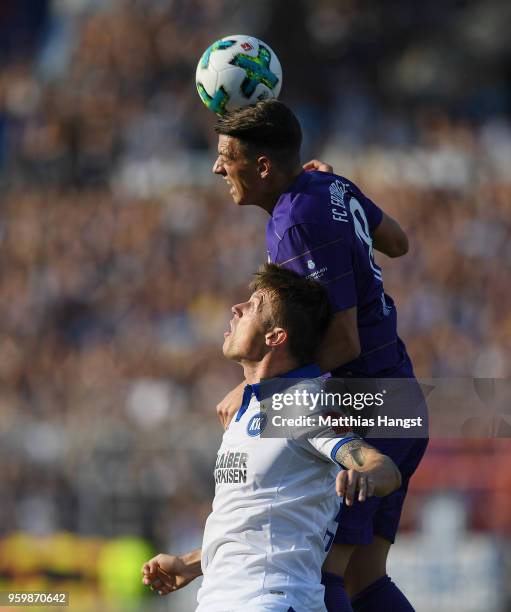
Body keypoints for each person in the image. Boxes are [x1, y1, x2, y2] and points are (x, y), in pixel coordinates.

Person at [212, 100, 428, 612]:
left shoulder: (296, 222)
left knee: (320, 573)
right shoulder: (326, 186)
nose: (218, 168)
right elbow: (397, 242)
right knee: (364, 579)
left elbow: (345, 342)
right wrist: (340, 196)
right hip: (400, 397)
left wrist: (256, 388)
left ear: (263, 165)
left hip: (367, 405)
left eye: (226, 156)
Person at [141, 264, 402, 612]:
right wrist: (190, 564)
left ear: (275, 337)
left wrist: (365, 475)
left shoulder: (302, 402)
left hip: (272, 600)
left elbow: (382, 467)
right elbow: (258, 522)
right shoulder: (245, 409)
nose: (237, 309)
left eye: (253, 306)